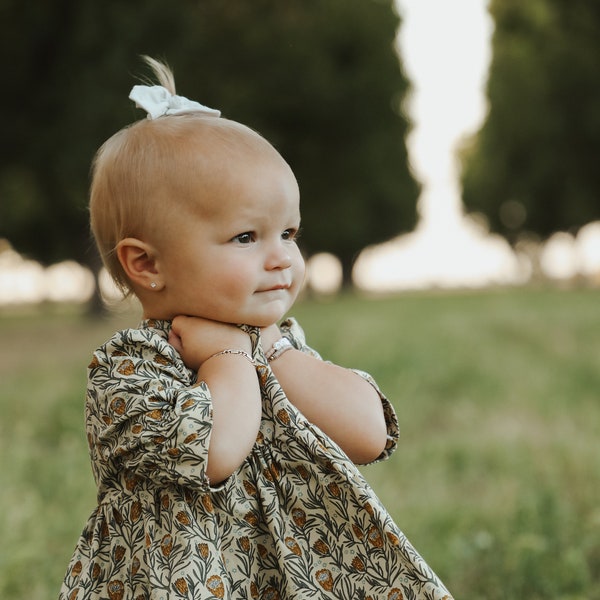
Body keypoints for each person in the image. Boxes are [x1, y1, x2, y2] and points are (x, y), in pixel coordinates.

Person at [59, 57, 453, 600]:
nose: (282, 258)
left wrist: (275, 353)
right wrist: (230, 359)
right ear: (147, 265)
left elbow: (369, 434)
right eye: (247, 237)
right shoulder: (128, 368)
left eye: (288, 232)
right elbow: (216, 451)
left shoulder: (280, 345)